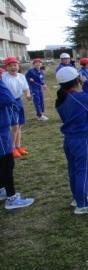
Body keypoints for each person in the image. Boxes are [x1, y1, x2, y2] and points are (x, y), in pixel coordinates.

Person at [55, 66, 88, 214]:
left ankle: (77, 198)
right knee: (84, 170)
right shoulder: (78, 98)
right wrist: (87, 82)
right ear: (77, 80)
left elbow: (82, 107)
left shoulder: (62, 99)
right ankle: (82, 205)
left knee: (74, 170)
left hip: (69, 140)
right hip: (81, 140)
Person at [0, 74, 35, 209]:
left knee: (2, 161)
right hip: (1, 130)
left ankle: (2, 189)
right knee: (7, 162)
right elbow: (8, 98)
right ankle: (12, 198)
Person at [1, 57, 32, 158]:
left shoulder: (21, 76)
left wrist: (28, 95)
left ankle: (18, 147)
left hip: (19, 101)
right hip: (9, 103)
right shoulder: (4, 77)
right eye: (10, 65)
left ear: (18, 66)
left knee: (19, 126)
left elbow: (26, 89)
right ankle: (12, 148)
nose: (13, 67)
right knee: (14, 126)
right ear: (6, 68)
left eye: (15, 65)